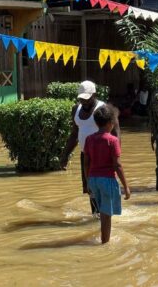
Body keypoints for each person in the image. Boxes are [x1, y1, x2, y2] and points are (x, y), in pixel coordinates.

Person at [60, 80, 120, 216]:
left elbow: (116, 133)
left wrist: (116, 157)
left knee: (104, 186)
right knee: (90, 188)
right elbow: (74, 134)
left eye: (87, 99)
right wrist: (65, 155)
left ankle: (105, 215)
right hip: (85, 156)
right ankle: (97, 216)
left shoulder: (104, 109)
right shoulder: (76, 109)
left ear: (94, 95)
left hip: (103, 157)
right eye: (81, 99)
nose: (84, 102)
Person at [83, 105, 130, 244]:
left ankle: (104, 238)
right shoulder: (112, 140)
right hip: (107, 180)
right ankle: (105, 243)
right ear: (110, 123)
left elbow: (86, 162)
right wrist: (126, 187)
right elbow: (117, 165)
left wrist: (87, 181)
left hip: (93, 179)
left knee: (102, 211)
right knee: (106, 215)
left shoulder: (89, 139)